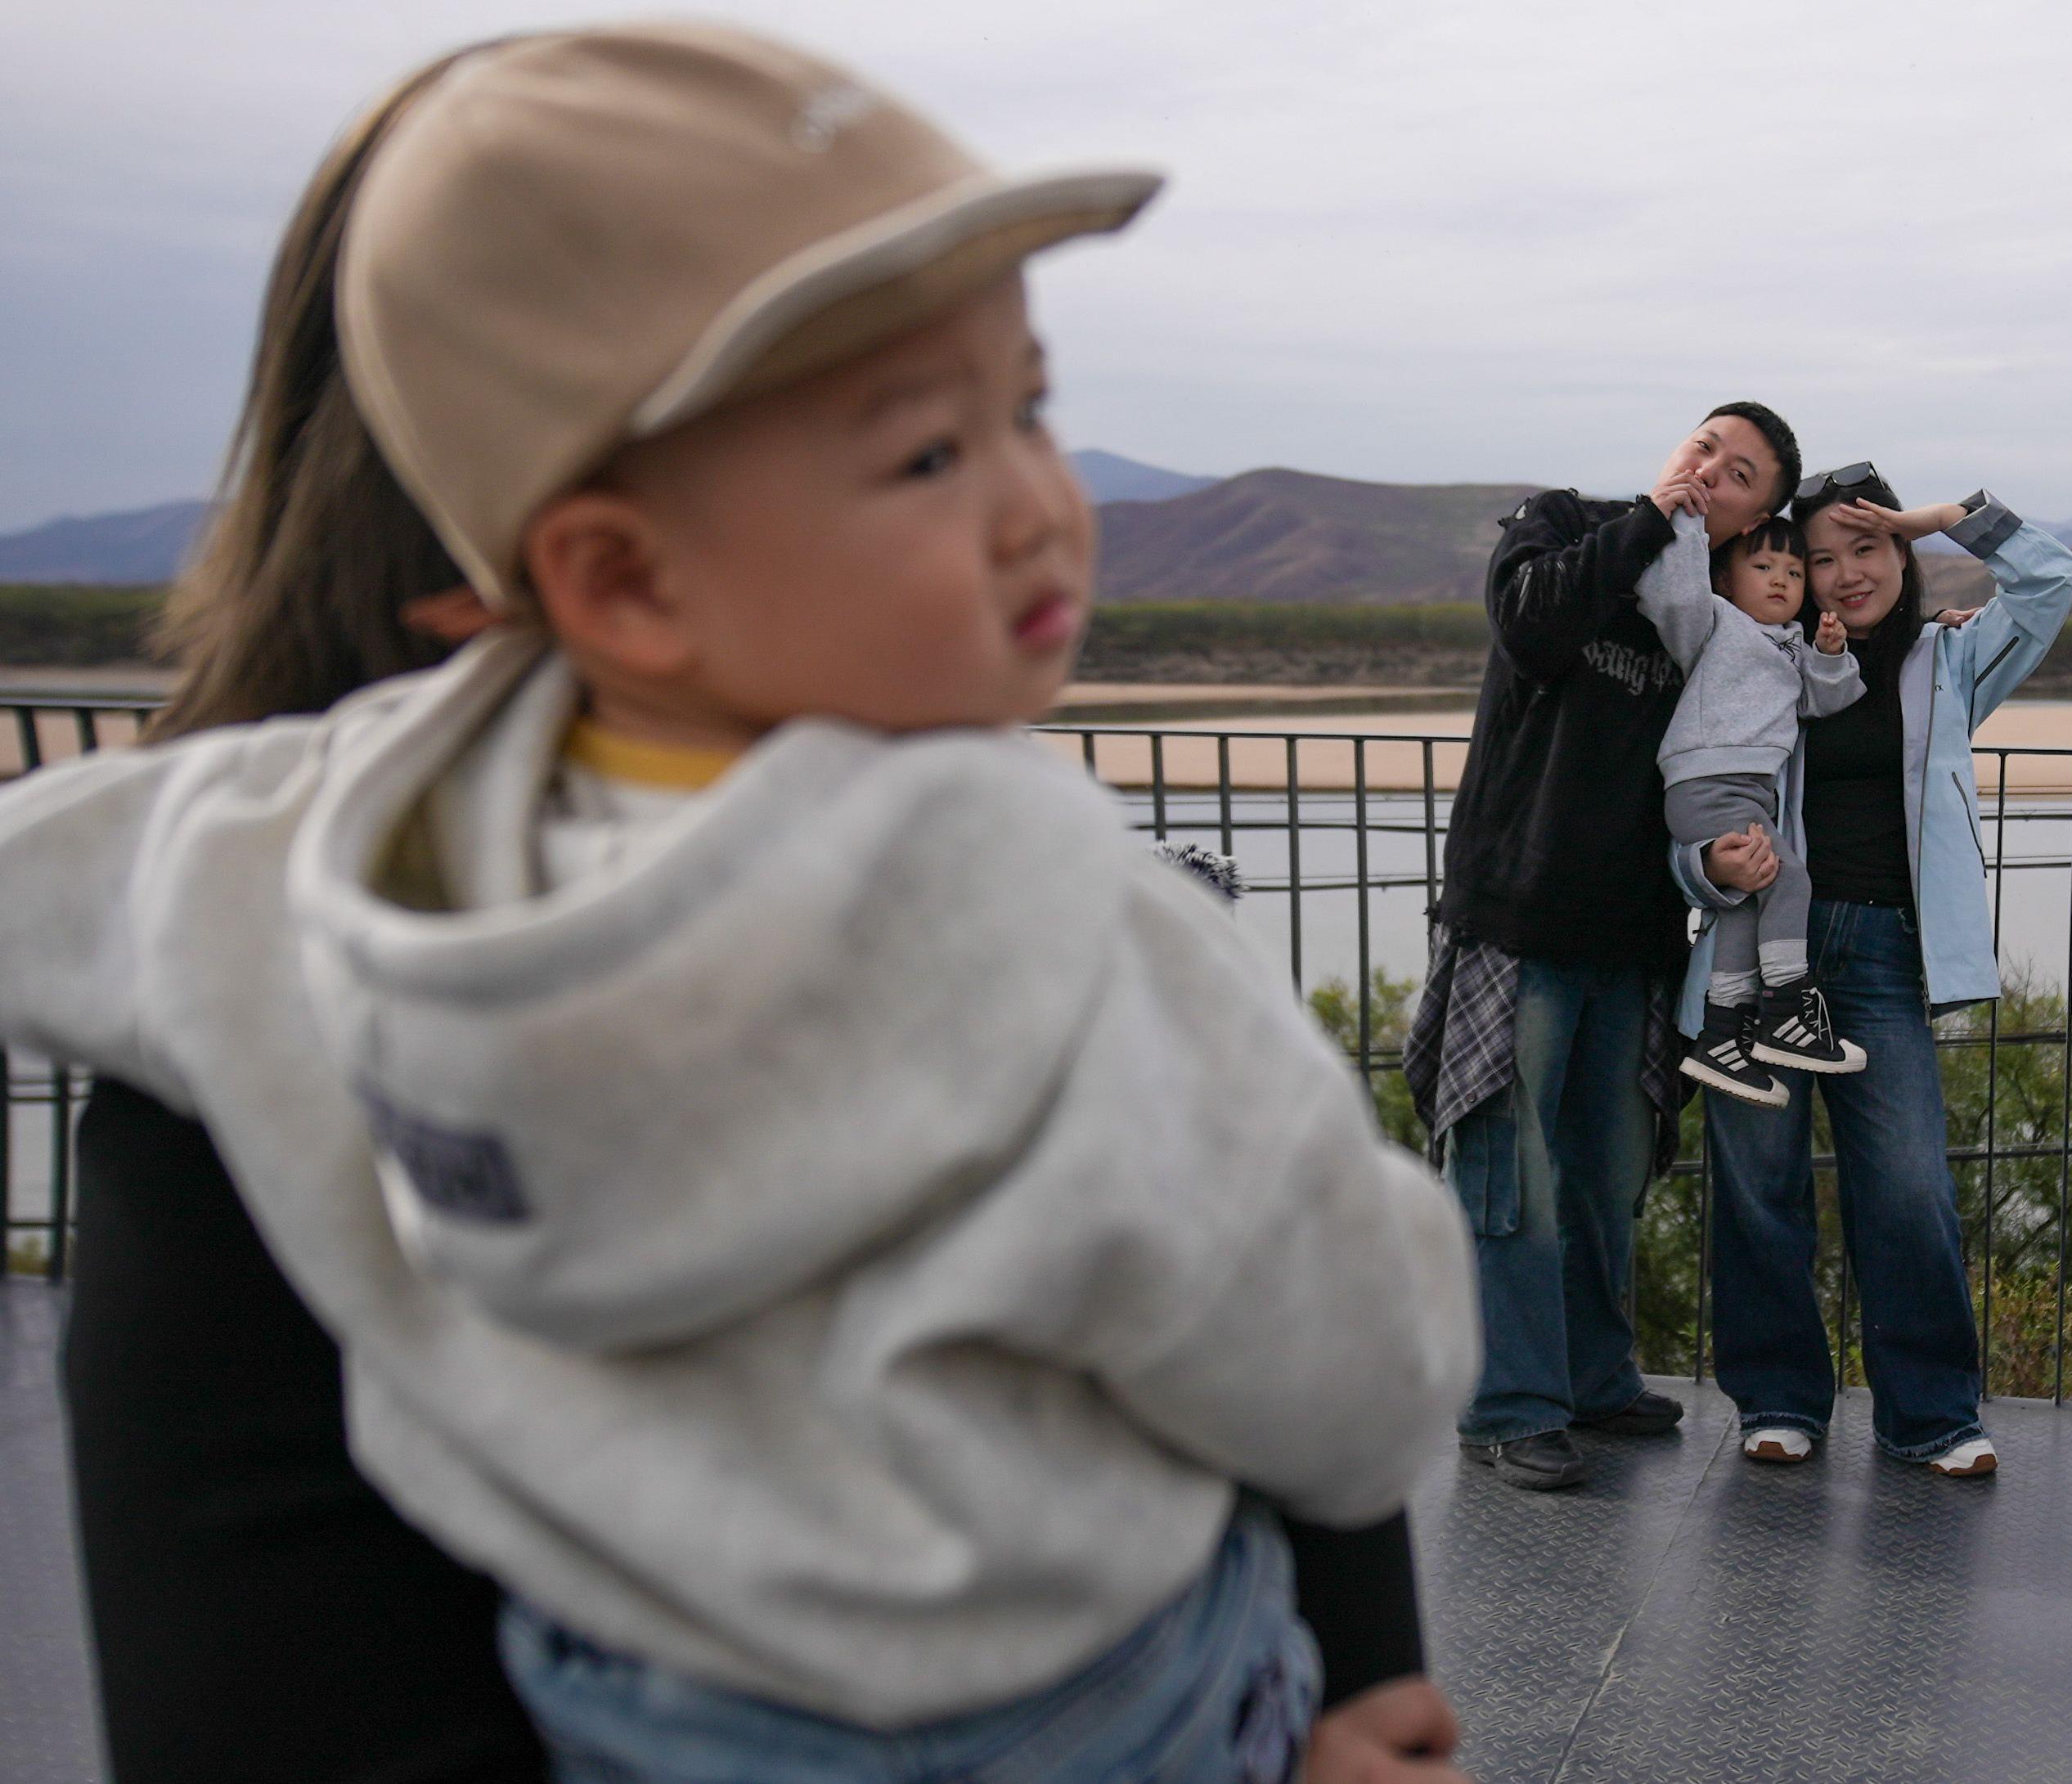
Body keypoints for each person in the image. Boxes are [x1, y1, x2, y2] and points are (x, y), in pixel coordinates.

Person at [1, 25, 1477, 1782]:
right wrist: (1354, 1679)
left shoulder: (276, 903)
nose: (1044, 505)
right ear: (607, 566)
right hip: (1114, 1702)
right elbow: (1318, 1341)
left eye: (1029, 409)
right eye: (928, 448)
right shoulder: (1029, 884)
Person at [1407, 403, 1799, 1490]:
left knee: (1604, 1171)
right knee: (1508, 1172)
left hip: (1631, 933)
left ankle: (1588, 1378)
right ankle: (1507, 1407)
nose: (1714, 470)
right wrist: (1646, 519)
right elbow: (1528, 628)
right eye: (1707, 448)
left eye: (1743, 475)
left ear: (1757, 516)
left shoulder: (1715, 621)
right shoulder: (1564, 525)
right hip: (1516, 914)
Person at [1677, 464, 2072, 1477]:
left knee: (1905, 1186)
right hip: (1754, 946)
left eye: (1868, 548)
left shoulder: (1950, 660)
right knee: (1758, 1185)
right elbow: (1690, 786)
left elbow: (2049, 580)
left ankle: (1931, 1416)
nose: (1846, 574)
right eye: (1820, 558)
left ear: (1902, 554)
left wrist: (1951, 518)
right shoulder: (1751, 658)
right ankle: (1777, 1401)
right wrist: (1700, 866)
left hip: (1885, 950)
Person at [1634, 509, 1867, 1108]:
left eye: (1793, 570)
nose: (1781, 580)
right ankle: (1788, 1009)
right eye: (1762, 566)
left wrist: (1829, 654)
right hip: (1710, 779)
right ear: (1725, 580)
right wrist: (1690, 523)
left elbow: (1821, 700)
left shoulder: (1789, 646)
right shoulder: (1718, 623)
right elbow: (1675, 594)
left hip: (1741, 789)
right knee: (1790, 878)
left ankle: (1721, 1036)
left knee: (1748, 896)